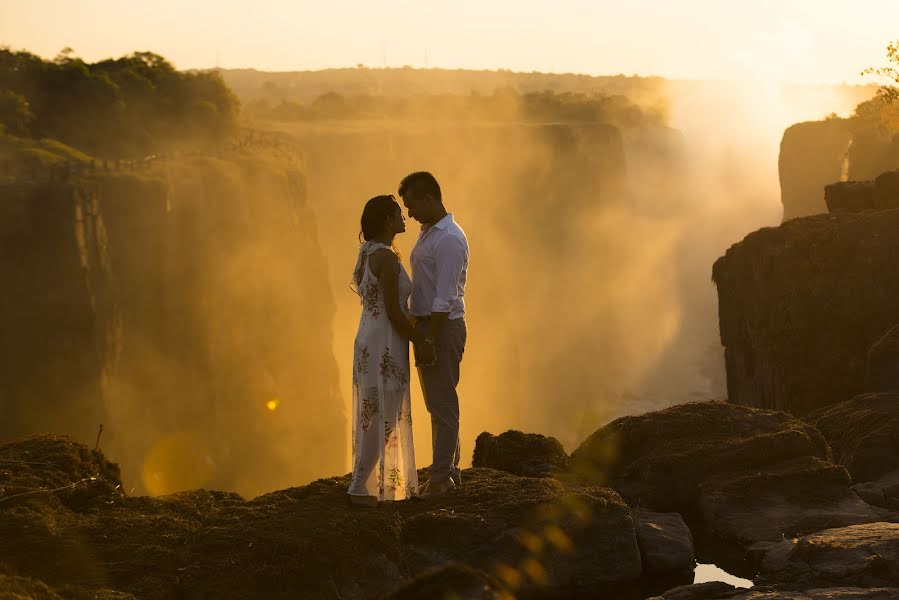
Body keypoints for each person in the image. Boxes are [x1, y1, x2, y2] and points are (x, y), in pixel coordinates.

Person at [398, 172, 469, 499]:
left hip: (441, 326)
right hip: (427, 325)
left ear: (429, 198)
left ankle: (441, 478)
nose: (409, 214)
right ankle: (447, 471)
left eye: (412, 205)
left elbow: (445, 296)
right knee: (437, 402)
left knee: (442, 404)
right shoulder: (430, 234)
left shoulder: (449, 239)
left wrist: (429, 338)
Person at [348, 195, 419, 506]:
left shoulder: (367, 253)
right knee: (385, 412)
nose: (404, 218)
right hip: (385, 341)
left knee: (372, 410)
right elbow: (393, 309)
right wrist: (420, 338)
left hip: (367, 337)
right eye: (398, 214)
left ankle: (361, 481)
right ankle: (359, 484)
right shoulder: (387, 259)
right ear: (387, 221)